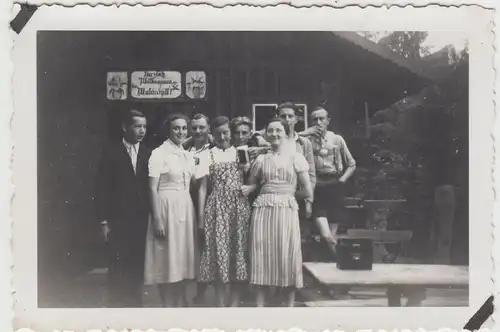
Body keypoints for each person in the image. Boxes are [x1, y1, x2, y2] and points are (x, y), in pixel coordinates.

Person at [244, 117, 313, 307]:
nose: (274, 134)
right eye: (270, 131)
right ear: (265, 134)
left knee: (287, 251)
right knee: (261, 252)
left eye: (278, 131)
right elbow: (250, 185)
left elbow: (307, 189)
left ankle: (289, 303)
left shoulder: (296, 157)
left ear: (285, 133)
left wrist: (288, 194)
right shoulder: (260, 159)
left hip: (286, 209)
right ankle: (260, 304)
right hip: (263, 208)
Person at [96, 109, 151, 307]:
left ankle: (135, 308)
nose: (142, 131)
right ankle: (117, 309)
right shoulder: (111, 153)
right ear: (125, 127)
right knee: (118, 266)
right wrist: (103, 222)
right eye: (137, 126)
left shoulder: (148, 154)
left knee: (137, 265)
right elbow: (102, 189)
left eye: (144, 126)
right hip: (118, 221)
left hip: (141, 220)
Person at [143, 113, 199, 307]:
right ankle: (167, 305)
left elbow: (194, 182)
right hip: (166, 208)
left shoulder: (188, 154)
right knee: (167, 256)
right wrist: (157, 218)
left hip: (185, 206)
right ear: (168, 130)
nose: (181, 132)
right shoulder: (159, 154)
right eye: (176, 128)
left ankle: (181, 302)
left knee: (182, 255)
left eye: (184, 128)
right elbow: (152, 188)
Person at [197, 116, 251, 307]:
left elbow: (251, 179)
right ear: (212, 134)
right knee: (220, 253)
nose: (222, 136)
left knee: (238, 254)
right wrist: (201, 218)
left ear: (231, 133)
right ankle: (220, 306)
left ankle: (234, 305)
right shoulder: (207, 155)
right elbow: (203, 187)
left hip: (239, 207)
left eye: (226, 132)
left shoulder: (241, 152)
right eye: (218, 133)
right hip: (217, 208)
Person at [300, 106, 356, 256]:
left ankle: (336, 263)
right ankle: (340, 261)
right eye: (314, 119)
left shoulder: (337, 139)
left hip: (334, 185)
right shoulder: (305, 141)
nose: (318, 122)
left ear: (328, 121)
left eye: (321, 119)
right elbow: (289, 140)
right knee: (326, 235)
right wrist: (305, 133)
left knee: (333, 236)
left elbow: (352, 164)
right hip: (316, 185)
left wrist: (342, 181)